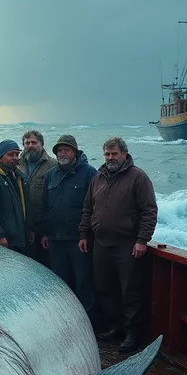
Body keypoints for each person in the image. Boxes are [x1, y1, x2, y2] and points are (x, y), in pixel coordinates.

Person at [78, 137, 158, 353]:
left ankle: (133, 334)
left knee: (130, 290)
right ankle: (115, 327)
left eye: (114, 154)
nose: (110, 158)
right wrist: (84, 234)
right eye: (107, 154)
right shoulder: (98, 178)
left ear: (124, 154)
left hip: (127, 243)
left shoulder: (138, 177)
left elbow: (149, 210)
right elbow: (88, 209)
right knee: (105, 287)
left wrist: (142, 240)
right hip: (101, 243)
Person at [41, 134, 97, 320]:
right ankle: (63, 320)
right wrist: (45, 233)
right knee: (59, 282)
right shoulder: (50, 175)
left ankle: (88, 321)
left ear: (75, 152)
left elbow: (93, 207)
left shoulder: (89, 173)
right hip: (56, 239)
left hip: (79, 240)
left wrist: (85, 235)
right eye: (59, 150)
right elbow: (44, 206)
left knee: (83, 281)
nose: (62, 153)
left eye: (66, 149)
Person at [18, 130, 56, 263]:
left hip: (44, 224)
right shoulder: (16, 164)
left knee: (46, 263)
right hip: (23, 225)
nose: (30, 145)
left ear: (42, 144)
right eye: (26, 143)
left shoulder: (53, 165)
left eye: (34, 142)